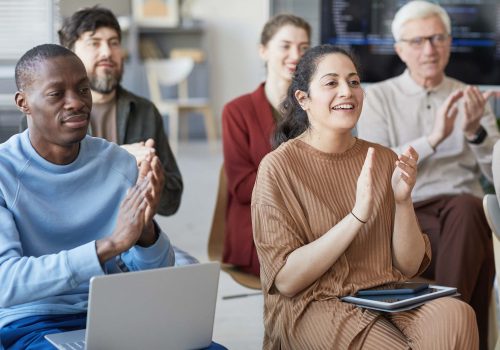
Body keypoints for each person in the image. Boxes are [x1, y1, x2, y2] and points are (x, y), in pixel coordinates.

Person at [251, 44, 479, 349]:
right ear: (303, 99)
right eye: (331, 83)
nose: (347, 91)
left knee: (456, 316)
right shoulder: (279, 167)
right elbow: (287, 281)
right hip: (315, 301)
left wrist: (402, 201)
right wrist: (357, 215)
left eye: (354, 82)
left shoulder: (383, 158)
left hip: (385, 296)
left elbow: (409, 266)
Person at [0, 44, 175, 349]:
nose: (77, 102)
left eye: (83, 89)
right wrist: (106, 247)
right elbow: (5, 282)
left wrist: (145, 233)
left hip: (110, 313)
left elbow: (153, 276)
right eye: (57, 94)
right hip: (28, 320)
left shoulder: (118, 163)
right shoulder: (4, 170)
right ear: (23, 103)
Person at [356, 2, 497, 347]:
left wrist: (475, 132)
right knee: (473, 237)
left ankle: (441, 334)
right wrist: (433, 138)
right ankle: (460, 335)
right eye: (417, 42)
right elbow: (381, 168)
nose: (429, 50)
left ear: (449, 43)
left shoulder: (470, 96)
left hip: (461, 207)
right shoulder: (379, 97)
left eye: (437, 39)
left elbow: (495, 174)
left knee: (468, 211)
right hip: (408, 210)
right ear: (400, 50)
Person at [21, 6, 183, 217]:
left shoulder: (145, 111)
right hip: (70, 243)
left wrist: (151, 171)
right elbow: (38, 197)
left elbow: (171, 203)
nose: (107, 52)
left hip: (134, 238)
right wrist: (120, 161)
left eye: (114, 42)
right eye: (94, 43)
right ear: (70, 53)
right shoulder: (42, 114)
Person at [222, 14, 311, 276]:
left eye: (304, 47)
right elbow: (241, 188)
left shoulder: (317, 108)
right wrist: (303, 182)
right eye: (285, 46)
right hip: (257, 233)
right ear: (263, 51)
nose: (296, 55)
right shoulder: (237, 111)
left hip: (311, 228)